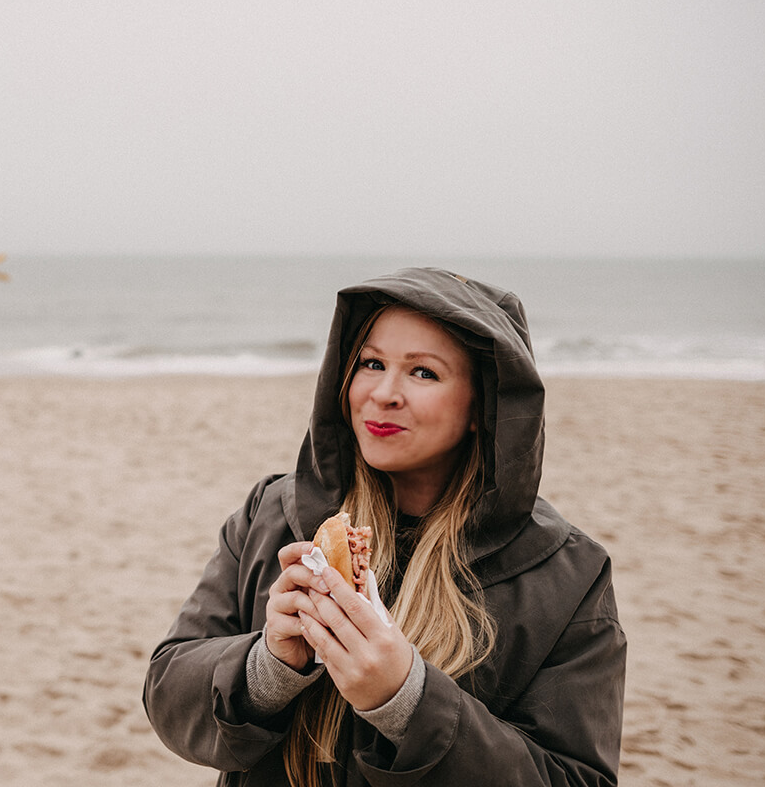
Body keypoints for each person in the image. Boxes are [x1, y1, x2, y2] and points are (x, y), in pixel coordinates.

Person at [143, 267, 626, 786]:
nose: (384, 394)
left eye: (424, 373)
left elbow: (575, 778)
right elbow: (168, 692)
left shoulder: (567, 573)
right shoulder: (274, 514)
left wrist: (408, 701)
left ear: (482, 406)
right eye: (371, 363)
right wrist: (267, 666)